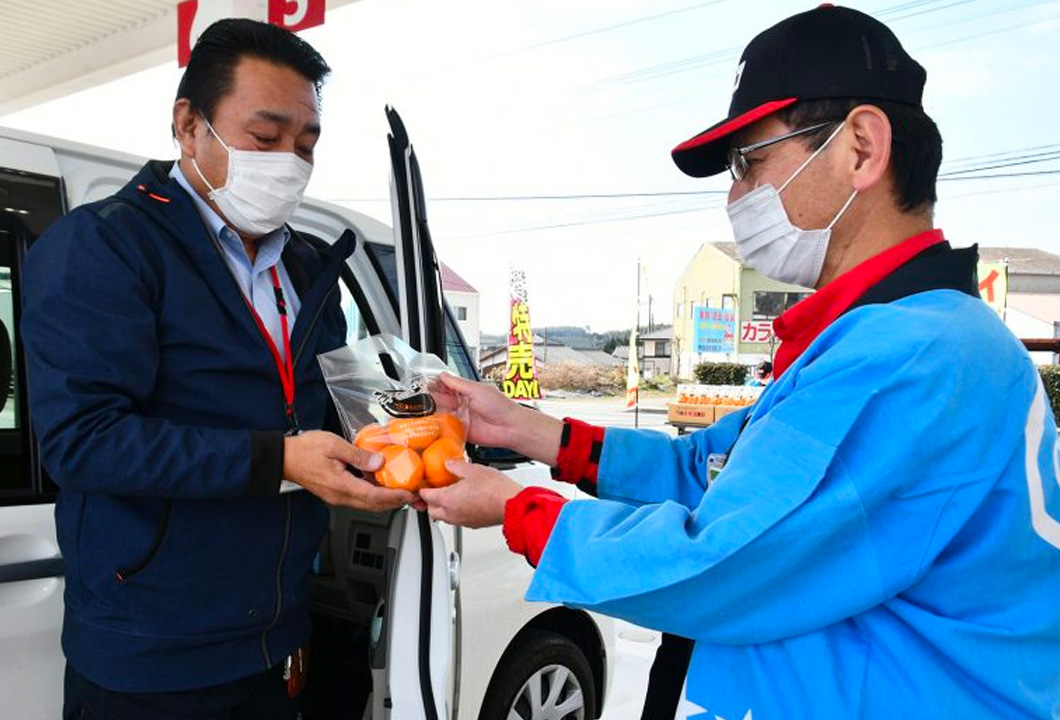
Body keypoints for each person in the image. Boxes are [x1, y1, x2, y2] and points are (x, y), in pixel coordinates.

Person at [420, 6, 1060, 718]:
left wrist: (516, 507)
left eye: (748, 163)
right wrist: (531, 432)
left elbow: (727, 558)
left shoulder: (912, 359)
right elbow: (710, 473)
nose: (734, 196)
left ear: (861, 148)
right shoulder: (888, 338)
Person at [21, 19, 416, 719]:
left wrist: (405, 421)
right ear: (188, 125)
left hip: (274, 641)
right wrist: (281, 462)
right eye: (265, 139)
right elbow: (83, 439)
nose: (289, 162)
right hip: (147, 653)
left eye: (305, 144)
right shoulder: (105, 247)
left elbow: (315, 413)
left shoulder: (304, 267)